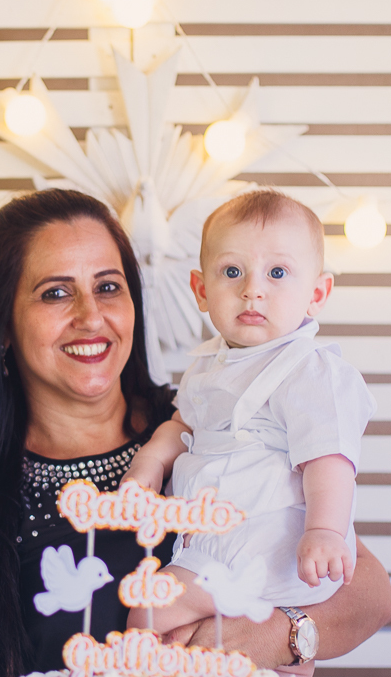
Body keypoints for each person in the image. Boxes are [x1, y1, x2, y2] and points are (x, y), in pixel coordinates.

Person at [0, 188, 391, 677]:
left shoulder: (212, 429)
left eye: (109, 287)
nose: (91, 315)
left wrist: (279, 635)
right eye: (55, 292)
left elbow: (369, 593)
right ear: (2, 326)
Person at [124, 188, 375, 634]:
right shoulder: (207, 364)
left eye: (277, 272)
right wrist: (148, 462)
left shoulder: (309, 371)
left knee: (150, 610)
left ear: (317, 293)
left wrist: (326, 531)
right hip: (218, 541)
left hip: (272, 548)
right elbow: (182, 424)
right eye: (232, 271)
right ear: (201, 290)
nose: (252, 290)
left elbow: (330, 460)